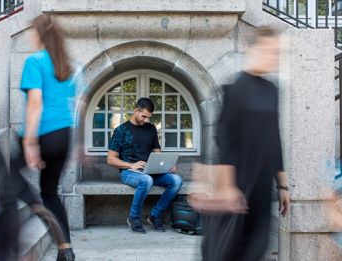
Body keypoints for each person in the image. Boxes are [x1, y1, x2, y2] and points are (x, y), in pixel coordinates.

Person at [196, 27, 291, 261]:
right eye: (268, 51)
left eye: (276, 52)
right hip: (237, 182)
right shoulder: (235, 87)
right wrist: (228, 186)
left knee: (256, 247)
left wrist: (283, 185)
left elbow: (273, 138)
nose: (273, 57)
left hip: (261, 183)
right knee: (225, 249)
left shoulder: (272, 89)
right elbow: (224, 138)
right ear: (253, 49)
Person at [13, 14, 77, 261]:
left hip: (43, 133)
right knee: (50, 191)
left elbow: (35, 104)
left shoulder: (34, 61)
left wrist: (29, 142)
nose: (30, 36)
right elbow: (73, 105)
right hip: (64, 135)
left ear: (39, 34)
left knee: (7, 177)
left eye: (31, 31)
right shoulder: (65, 66)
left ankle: (36, 210)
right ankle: (66, 250)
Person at [107, 97, 183, 233]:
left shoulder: (151, 129)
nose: (146, 120)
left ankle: (155, 215)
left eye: (148, 117)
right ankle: (133, 217)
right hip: (129, 172)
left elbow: (158, 154)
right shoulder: (120, 130)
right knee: (146, 180)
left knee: (176, 180)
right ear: (136, 111)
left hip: (151, 170)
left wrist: (167, 167)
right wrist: (131, 165)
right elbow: (111, 159)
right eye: (143, 116)